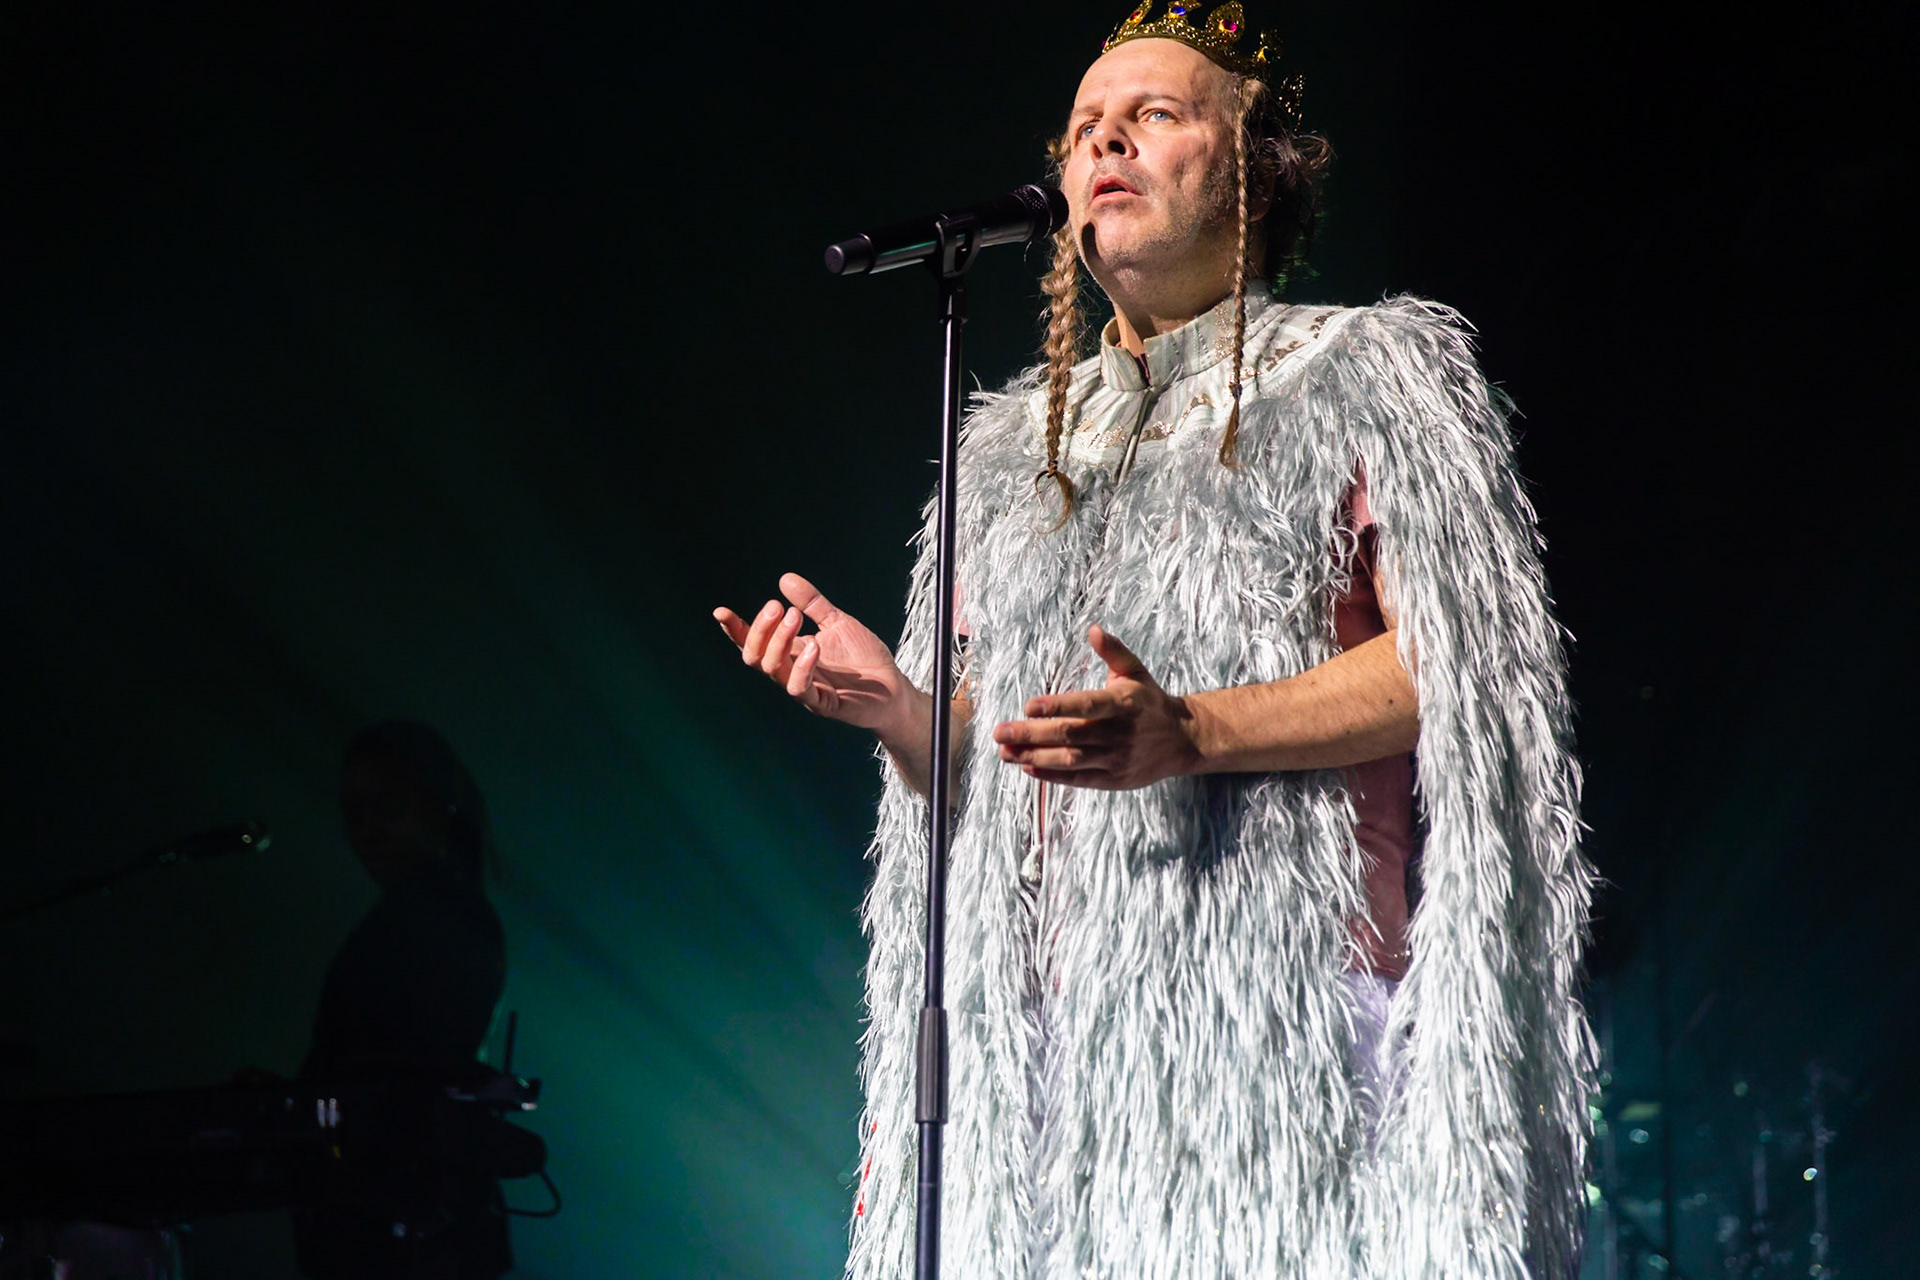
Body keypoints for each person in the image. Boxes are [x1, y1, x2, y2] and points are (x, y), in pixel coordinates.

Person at [716, 4, 1593, 1275]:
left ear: (1252, 167)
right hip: (1058, 1072)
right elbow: (998, 753)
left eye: (1154, 115)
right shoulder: (1011, 446)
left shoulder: (1373, 371)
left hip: (1286, 1050)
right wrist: (899, 708)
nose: (1104, 143)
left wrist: (1197, 729)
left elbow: (1465, 667)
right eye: (1083, 129)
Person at [296, 720, 512, 1280]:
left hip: (411, 1234)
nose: (365, 832)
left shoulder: (438, 915)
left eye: (386, 808)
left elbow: (405, 1074)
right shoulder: (438, 911)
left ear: (440, 803)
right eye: (354, 816)